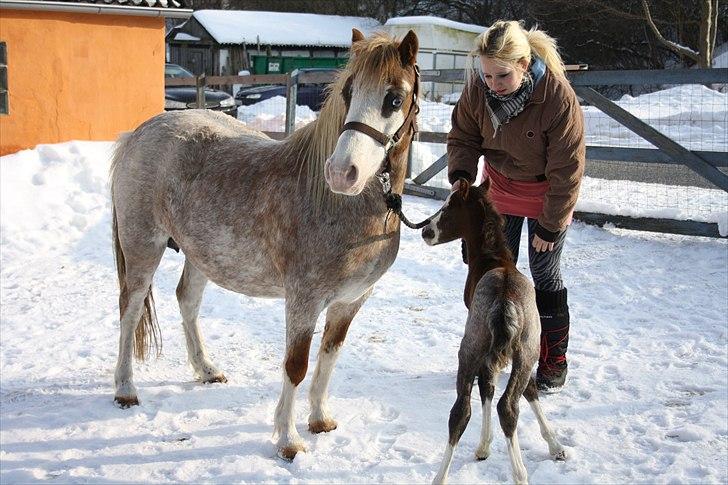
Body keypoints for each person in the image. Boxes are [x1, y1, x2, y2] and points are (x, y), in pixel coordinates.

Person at [447, 20, 585, 393]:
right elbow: (463, 133)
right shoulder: (479, 89)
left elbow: (568, 168)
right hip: (500, 188)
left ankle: (552, 358)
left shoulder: (556, 98)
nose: (492, 84)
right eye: (487, 75)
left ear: (524, 64)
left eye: (502, 75)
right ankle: (489, 347)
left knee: (543, 273)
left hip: (547, 194)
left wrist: (552, 224)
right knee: (490, 268)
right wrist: (462, 171)